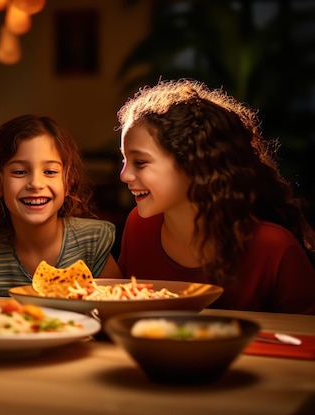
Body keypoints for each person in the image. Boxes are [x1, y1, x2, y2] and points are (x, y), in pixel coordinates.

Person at [116, 78, 315, 314]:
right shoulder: (138, 226)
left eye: (140, 162)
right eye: (124, 159)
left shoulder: (274, 248)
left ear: (194, 165)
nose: (124, 175)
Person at [0, 114, 121, 296]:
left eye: (50, 171)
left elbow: (118, 306)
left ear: (68, 182)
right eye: (20, 172)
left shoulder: (92, 241)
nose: (36, 183)